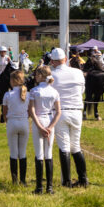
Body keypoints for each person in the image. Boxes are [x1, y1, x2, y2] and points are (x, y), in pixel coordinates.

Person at [48, 47, 88, 187]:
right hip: (77, 110)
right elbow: (82, 90)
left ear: (52, 61)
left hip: (61, 111)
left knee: (64, 146)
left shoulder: (52, 75)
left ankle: (66, 181)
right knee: (75, 146)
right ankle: (83, 179)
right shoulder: (78, 73)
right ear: (65, 59)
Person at [27, 65, 60, 195]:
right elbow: (58, 112)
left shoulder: (34, 91)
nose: (35, 76)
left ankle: (39, 187)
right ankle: (49, 187)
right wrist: (50, 127)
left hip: (38, 121)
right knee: (49, 153)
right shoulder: (54, 91)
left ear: (41, 76)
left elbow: (32, 110)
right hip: (50, 120)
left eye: (36, 74)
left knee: (39, 153)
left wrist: (40, 127)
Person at [2, 70, 30, 184]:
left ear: (13, 81)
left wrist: (7, 121)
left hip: (12, 122)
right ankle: (23, 181)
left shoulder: (8, 94)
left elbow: (4, 112)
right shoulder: (28, 94)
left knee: (13, 153)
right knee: (22, 153)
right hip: (24, 123)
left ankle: (15, 181)